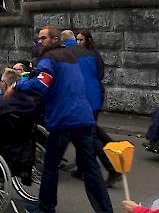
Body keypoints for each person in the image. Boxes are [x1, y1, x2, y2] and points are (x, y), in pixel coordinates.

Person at [17, 26, 112, 213]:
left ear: (54, 39)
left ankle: (46, 208)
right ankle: (105, 210)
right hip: (83, 117)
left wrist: (19, 85)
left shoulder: (50, 58)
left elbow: (41, 85)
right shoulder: (70, 57)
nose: (39, 42)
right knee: (91, 169)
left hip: (63, 118)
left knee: (51, 166)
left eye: (43, 38)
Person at [65, 30, 119, 187]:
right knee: (88, 134)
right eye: (77, 39)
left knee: (89, 136)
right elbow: (98, 75)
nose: (79, 41)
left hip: (83, 101)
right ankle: (83, 168)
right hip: (92, 98)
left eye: (81, 39)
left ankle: (112, 168)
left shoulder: (68, 54)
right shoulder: (90, 55)